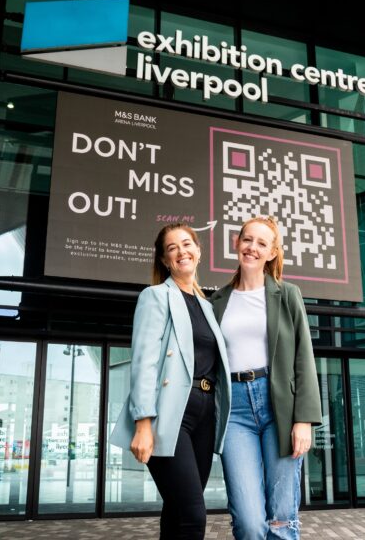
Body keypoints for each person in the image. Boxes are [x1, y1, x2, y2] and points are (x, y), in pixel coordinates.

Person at [110, 223, 231, 539]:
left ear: (198, 251)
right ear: (164, 260)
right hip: (169, 415)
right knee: (193, 516)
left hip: (205, 415)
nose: (182, 251)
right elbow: (144, 361)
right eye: (173, 247)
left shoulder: (208, 305)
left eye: (187, 243)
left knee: (178, 511)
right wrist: (143, 422)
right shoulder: (155, 296)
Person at [209, 216, 322, 540]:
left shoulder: (287, 295)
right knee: (248, 521)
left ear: (272, 252)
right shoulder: (217, 301)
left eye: (261, 243)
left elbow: (304, 355)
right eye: (247, 240)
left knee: (282, 518)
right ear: (236, 243)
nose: (252, 248)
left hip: (280, 409)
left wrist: (304, 420)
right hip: (235, 410)